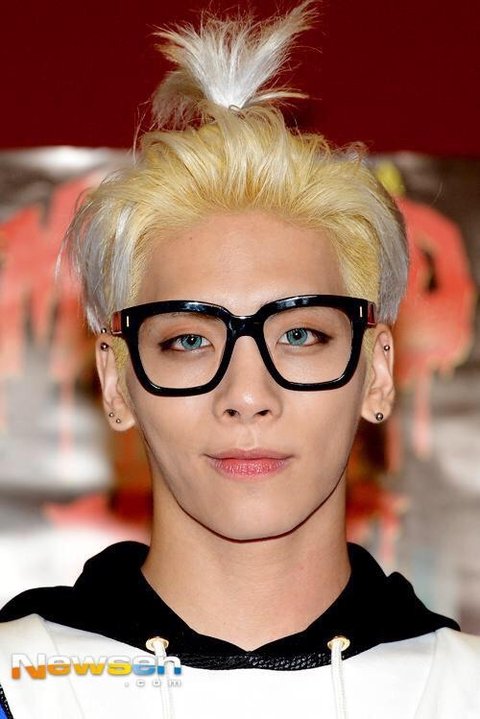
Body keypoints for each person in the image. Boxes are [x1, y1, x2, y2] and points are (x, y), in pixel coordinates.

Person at [0, 2, 479, 717]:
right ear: (117, 381)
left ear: (377, 372)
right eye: (189, 340)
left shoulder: (464, 688)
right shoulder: (17, 683)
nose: (247, 395)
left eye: (301, 335)